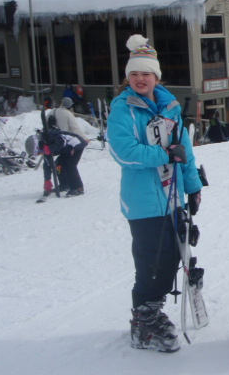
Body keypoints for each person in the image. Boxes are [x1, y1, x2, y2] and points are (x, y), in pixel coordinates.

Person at [108, 34, 203, 353]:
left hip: (173, 197)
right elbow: (124, 151)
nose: (139, 79)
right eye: (134, 74)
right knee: (151, 262)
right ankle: (143, 320)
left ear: (156, 76)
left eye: (145, 73)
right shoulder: (123, 108)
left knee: (173, 258)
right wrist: (165, 155)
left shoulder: (169, 105)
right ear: (128, 77)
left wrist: (193, 186)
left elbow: (184, 148)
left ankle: (154, 309)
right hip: (144, 202)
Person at [38, 128, 88, 197]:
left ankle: (78, 188)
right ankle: (64, 185)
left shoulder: (50, 135)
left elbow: (62, 141)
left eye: (38, 152)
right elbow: (47, 163)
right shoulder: (44, 147)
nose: (39, 154)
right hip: (66, 149)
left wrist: (50, 149)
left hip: (76, 144)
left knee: (70, 165)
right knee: (58, 165)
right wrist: (47, 180)